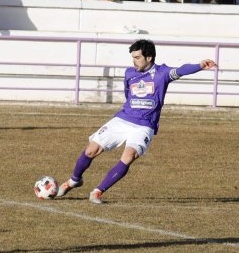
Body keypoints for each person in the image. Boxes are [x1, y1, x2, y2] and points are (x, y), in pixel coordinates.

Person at [56, 39, 216, 204]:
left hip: (144, 125)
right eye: (133, 57)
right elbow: (128, 94)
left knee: (129, 155)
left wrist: (200, 65)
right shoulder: (129, 73)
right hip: (123, 119)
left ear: (149, 58)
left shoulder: (162, 73)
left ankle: (97, 192)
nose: (134, 61)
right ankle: (74, 180)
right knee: (91, 150)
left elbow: (180, 70)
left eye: (137, 57)